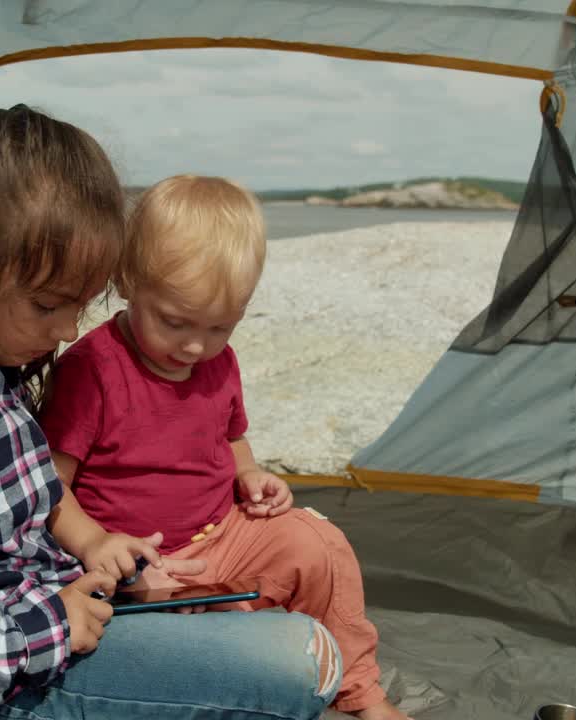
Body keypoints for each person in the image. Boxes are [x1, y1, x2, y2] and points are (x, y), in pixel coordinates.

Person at [0, 107, 341, 720]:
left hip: (57, 605)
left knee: (290, 584)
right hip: (6, 675)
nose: (68, 330)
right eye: (48, 304)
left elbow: (11, 524)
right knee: (305, 660)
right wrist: (41, 631)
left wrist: (106, 557)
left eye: (80, 305)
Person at [38, 175, 411, 720]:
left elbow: (230, 434)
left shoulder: (218, 361)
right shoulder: (92, 370)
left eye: (221, 327)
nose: (195, 345)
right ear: (127, 281)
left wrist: (251, 474)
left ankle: (359, 692)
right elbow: (48, 485)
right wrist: (97, 543)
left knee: (319, 545)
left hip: (222, 533)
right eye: (174, 321)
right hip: (132, 561)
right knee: (159, 639)